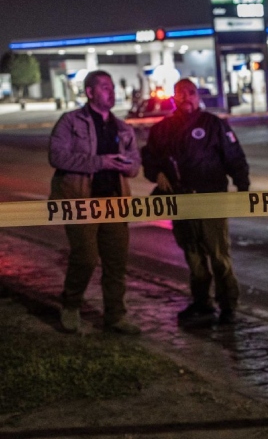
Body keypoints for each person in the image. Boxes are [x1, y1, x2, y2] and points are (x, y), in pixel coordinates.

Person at [141, 79, 250, 325]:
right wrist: (156, 173)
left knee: (219, 256)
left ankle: (228, 305)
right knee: (193, 256)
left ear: (197, 96)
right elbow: (149, 158)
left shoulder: (214, 125)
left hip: (210, 198)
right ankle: (202, 303)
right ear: (173, 97)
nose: (186, 97)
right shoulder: (162, 129)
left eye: (190, 93)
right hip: (180, 200)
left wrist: (243, 187)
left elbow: (234, 157)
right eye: (180, 93)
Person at [48, 70, 142, 335]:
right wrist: (100, 162)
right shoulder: (70, 122)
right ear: (89, 92)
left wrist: (125, 166)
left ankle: (115, 316)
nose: (111, 92)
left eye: (112, 87)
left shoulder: (122, 128)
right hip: (80, 200)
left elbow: (135, 166)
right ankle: (71, 303)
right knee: (86, 257)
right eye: (104, 87)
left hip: (115, 201)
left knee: (116, 262)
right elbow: (57, 157)